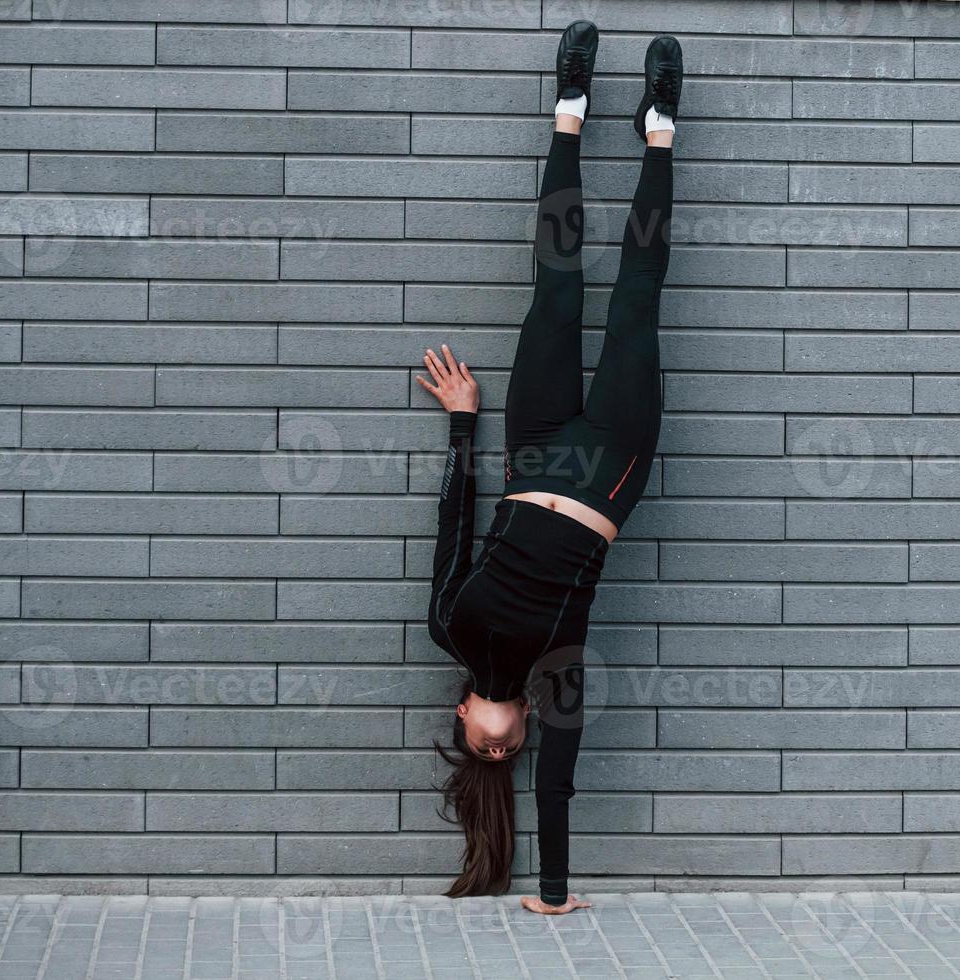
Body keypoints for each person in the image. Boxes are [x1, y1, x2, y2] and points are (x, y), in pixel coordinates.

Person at [416, 21, 682, 916]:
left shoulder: (448, 627)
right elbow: (556, 789)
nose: (501, 748)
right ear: (526, 728)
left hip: (530, 446)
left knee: (556, 284)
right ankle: (658, 131)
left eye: (479, 749)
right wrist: (554, 896)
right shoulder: (554, 673)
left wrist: (462, 426)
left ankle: (567, 111)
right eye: (511, 751)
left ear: (459, 717)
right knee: (637, 304)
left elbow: (457, 520)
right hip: (607, 465)